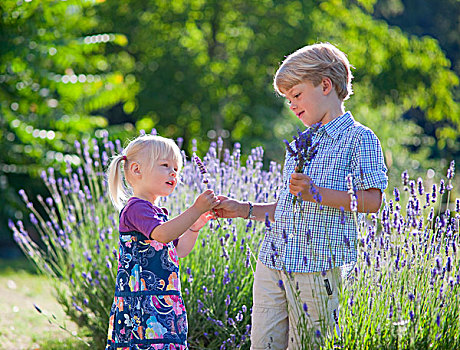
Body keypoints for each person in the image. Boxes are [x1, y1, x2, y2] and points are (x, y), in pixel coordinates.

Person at [215, 42, 388, 349]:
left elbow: (372, 201)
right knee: (263, 344)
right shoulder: (299, 143)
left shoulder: (359, 138)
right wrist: (242, 209)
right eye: (287, 99)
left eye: (296, 95)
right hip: (273, 261)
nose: (292, 105)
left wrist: (315, 193)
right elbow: (287, 208)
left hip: (318, 267)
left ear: (325, 85)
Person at [105, 134, 220, 350]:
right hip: (141, 308)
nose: (173, 173)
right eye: (165, 165)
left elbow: (179, 250)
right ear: (137, 170)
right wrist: (195, 209)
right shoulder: (136, 208)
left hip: (161, 303)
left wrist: (194, 227)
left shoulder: (155, 213)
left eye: (176, 168)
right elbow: (162, 235)